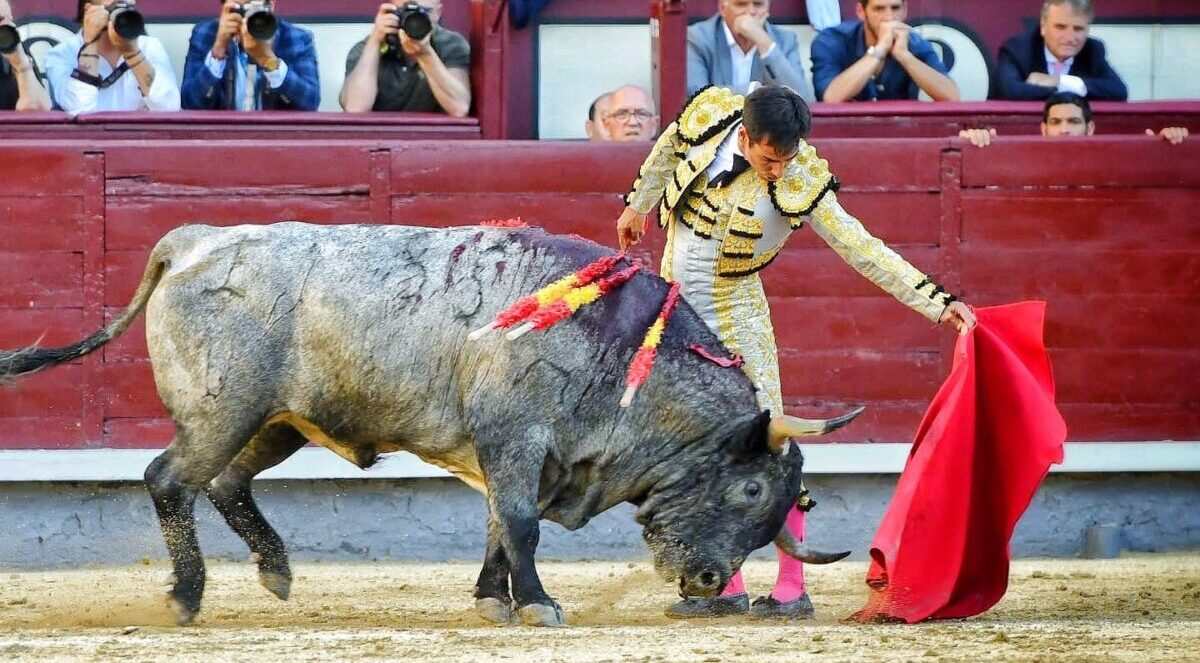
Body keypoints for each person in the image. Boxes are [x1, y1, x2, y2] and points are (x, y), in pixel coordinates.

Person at [616, 84, 975, 619]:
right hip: (675, 316)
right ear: (744, 134)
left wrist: (937, 303)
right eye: (768, 158)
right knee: (700, 449)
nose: (778, 170)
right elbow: (668, 146)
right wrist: (638, 205)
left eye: (786, 159)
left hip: (737, 316)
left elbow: (861, 247)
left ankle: (791, 586)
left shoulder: (802, 178)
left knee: (773, 446)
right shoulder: (711, 114)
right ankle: (725, 585)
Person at [44, 0, 180, 113]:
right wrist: (90, 44)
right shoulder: (62, 54)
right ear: (89, 10)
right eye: (114, 8)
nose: (122, 15)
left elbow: (168, 107)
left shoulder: (149, 47)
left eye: (128, 9)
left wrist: (133, 54)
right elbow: (79, 110)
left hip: (137, 140)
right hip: (87, 142)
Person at [181, 0, 320, 111]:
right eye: (244, 9)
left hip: (276, 139)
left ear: (270, 4)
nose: (250, 19)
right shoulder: (205, 35)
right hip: (221, 139)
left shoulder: (297, 39)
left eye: (255, 9)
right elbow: (190, 103)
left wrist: (268, 60)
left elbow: (310, 102)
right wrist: (218, 52)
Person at [340, 0, 471, 116]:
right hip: (380, 138)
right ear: (391, 9)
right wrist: (375, 41)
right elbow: (355, 108)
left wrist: (425, 55)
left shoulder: (450, 44)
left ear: (438, 12)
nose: (415, 19)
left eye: (424, 12)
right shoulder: (368, 47)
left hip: (433, 137)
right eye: (405, 11)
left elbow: (459, 108)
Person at [811, 0, 959, 102]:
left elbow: (951, 96)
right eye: (879, 9)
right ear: (861, 11)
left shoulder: (915, 43)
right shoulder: (831, 40)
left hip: (898, 132)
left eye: (895, 8)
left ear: (905, 9)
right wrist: (879, 49)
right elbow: (831, 97)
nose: (889, 16)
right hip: (844, 133)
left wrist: (905, 56)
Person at [993, 0, 1126, 101]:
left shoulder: (1092, 50)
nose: (1069, 37)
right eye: (1061, 27)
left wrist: (1058, 81)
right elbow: (1009, 91)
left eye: (1078, 29)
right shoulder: (1018, 49)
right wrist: (1071, 89)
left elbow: (1118, 91)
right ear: (1043, 26)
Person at [686, 0, 813, 101]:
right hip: (715, 128)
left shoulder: (785, 39)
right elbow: (698, 95)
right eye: (741, 4)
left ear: (768, 8)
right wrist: (754, 91)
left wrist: (762, 39)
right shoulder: (698, 37)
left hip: (767, 128)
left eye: (758, 4)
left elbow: (801, 97)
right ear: (722, 8)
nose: (751, 12)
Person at [959, 92, 1189, 147]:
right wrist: (975, 140)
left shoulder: (1109, 163)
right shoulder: (1027, 166)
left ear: (1090, 128)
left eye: (1074, 122)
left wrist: (1169, 141)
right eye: (1056, 122)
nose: (1065, 130)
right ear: (1043, 129)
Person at [0, 0, 51, 111]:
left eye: (9, 22)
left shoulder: (13, 51)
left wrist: (22, 67)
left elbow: (38, 111)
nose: (5, 28)